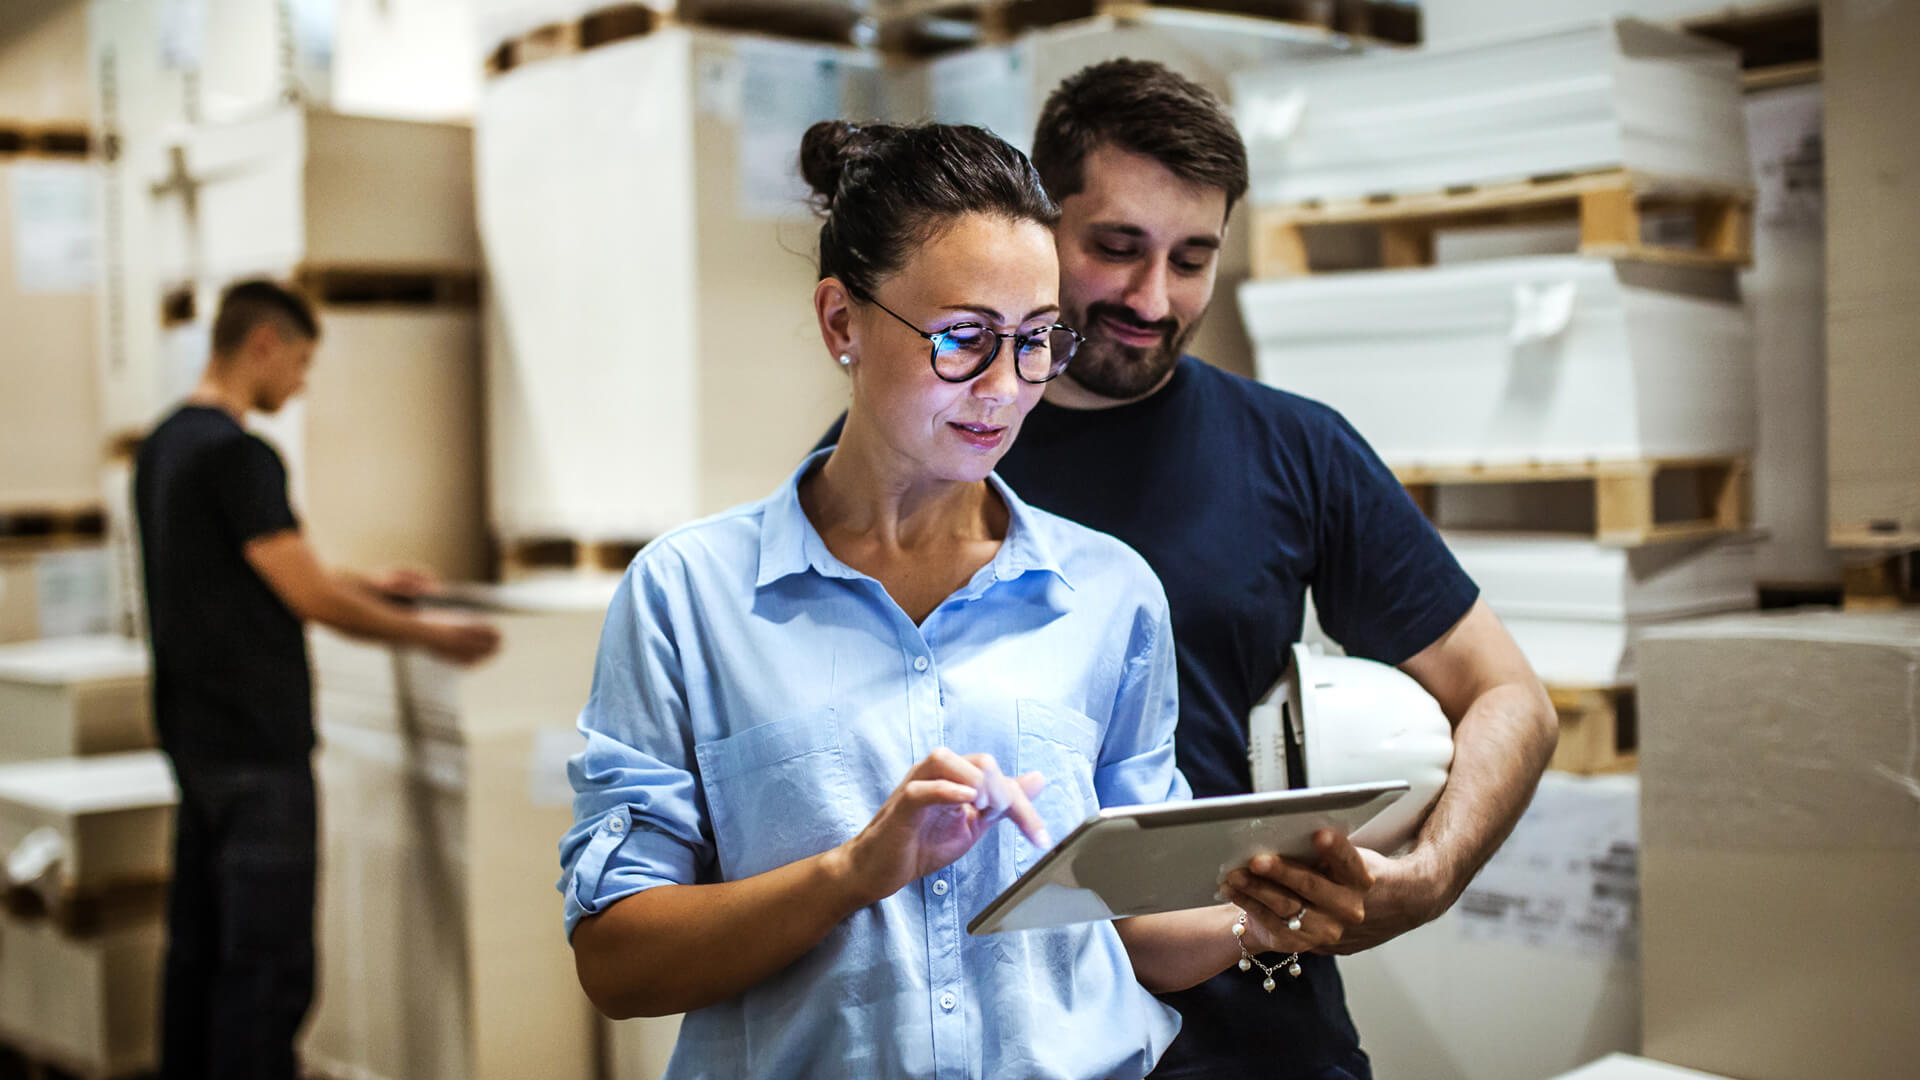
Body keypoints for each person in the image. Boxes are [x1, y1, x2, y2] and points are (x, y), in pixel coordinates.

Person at [560, 122, 1348, 1079]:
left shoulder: (1108, 595)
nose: (1005, 390)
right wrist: (851, 874)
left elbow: (1133, 926)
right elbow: (617, 960)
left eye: (1035, 342)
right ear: (842, 322)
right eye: (963, 340)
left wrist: (1268, 912)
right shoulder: (690, 597)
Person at [821, 61, 1561, 1079]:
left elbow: (1509, 695)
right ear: (1043, 223)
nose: (1151, 297)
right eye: (1117, 249)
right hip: (994, 1043)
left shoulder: (1293, 450)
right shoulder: (925, 442)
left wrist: (1427, 877)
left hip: (1258, 1037)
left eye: (1192, 259)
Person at [134, 279, 501, 1080]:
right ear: (263, 344)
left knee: (199, 954)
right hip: (257, 752)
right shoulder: (241, 455)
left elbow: (251, 572)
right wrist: (431, 634)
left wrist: (368, 584)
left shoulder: (165, 446)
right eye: (300, 362)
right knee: (268, 970)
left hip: (195, 744)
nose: (300, 383)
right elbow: (304, 595)